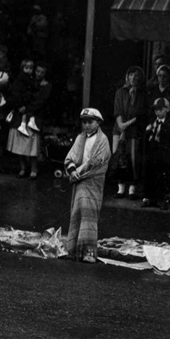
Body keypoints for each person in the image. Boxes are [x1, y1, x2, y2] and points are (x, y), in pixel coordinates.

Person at [63, 108, 112, 263]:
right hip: (79, 180)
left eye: (90, 122)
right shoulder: (80, 138)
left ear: (98, 122)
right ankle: (74, 249)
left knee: (89, 215)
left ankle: (89, 252)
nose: (87, 125)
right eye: (84, 122)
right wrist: (71, 170)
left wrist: (78, 171)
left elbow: (98, 161)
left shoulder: (103, 140)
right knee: (78, 212)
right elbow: (70, 157)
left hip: (93, 180)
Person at [111, 66, 146, 198]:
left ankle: (132, 188)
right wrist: (122, 125)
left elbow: (140, 113)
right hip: (119, 130)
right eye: (131, 75)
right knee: (119, 157)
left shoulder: (142, 94)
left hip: (134, 131)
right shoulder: (120, 92)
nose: (133, 78)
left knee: (133, 159)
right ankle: (120, 188)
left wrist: (129, 124)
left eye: (137, 76)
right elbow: (118, 111)